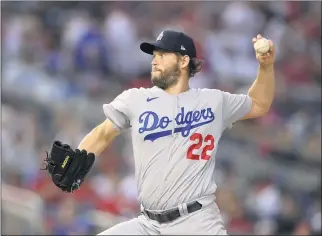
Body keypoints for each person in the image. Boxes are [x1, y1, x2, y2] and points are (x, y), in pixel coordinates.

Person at [78, 30, 276, 235]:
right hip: (148, 224)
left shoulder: (213, 101)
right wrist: (76, 157)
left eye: (163, 55)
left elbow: (259, 104)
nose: (155, 61)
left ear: (183, 61)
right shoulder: (136, 99)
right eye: (154, 56)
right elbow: (102, 134)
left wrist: (266, 67)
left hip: (196, 222)